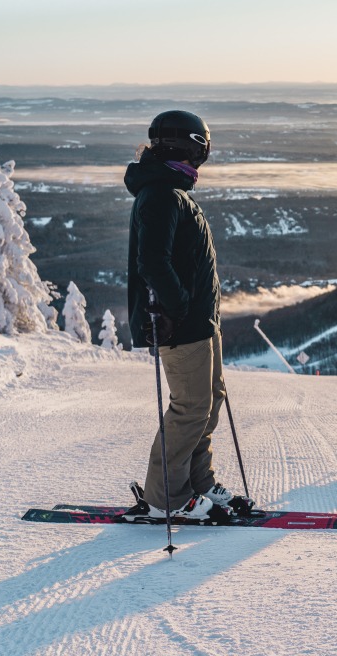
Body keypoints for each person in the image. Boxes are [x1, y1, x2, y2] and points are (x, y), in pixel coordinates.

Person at [120, 110, 252, 522]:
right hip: (181, 324)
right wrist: (177, 309)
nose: (201, 161)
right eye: (201, 151)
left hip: (198, 321)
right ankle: (167, 498)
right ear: (189, 147)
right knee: (190, 407)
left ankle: (198, 483)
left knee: (207, 406)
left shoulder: (170, 191)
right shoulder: (160, 193)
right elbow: (153, 263)